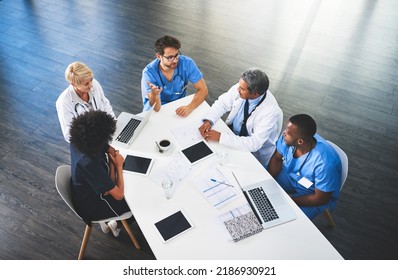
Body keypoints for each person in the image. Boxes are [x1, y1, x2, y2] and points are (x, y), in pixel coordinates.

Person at [198, 68, 281, 168]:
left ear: (255, 94)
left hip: (251, 151)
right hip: (232, 135)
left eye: (242, 89)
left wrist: (221, 137)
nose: (237, 89)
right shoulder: (241, 86)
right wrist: (209, 120)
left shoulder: (270, 111)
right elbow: (222, 103)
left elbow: (254, 143)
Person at [267, 114, 342, 220]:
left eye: (288, 133)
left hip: (312, 193)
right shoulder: (288, 138)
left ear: (300, 141)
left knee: (287, 220)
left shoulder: (325, 164)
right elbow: (277, 158)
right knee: (257, 184)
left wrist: (290, 200)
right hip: (289, 175)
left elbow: (320, 199)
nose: (284, 133)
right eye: (286, 129)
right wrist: (267, 181)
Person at [69, 110, 130, 237]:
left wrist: (112, 166)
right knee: (134, 203)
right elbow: (118, 195)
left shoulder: (79, 140)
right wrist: (117, 166)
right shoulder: (88, 163)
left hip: (88, 188)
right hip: (93, 205)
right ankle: (115, 224)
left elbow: (111, 151)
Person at [141, 35, 208, 116]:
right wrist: (155, 96)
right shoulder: (149, 73)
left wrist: (190, 107)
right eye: (170, 57)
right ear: (159, 56)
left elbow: (203, 90)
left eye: (176, 55)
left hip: (178, 104)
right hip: (157, 107)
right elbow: (156, 108)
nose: (175, 60)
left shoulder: (187, 63)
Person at [56, 61, 115, 142]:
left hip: (106, 133)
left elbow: (105, 104)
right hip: (89, 143)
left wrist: (114, 125)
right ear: (73, 84)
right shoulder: (64, 103)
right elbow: (69, 135)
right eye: (86, 84)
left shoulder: (94, 84)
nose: (91, 85)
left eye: (91, 79)